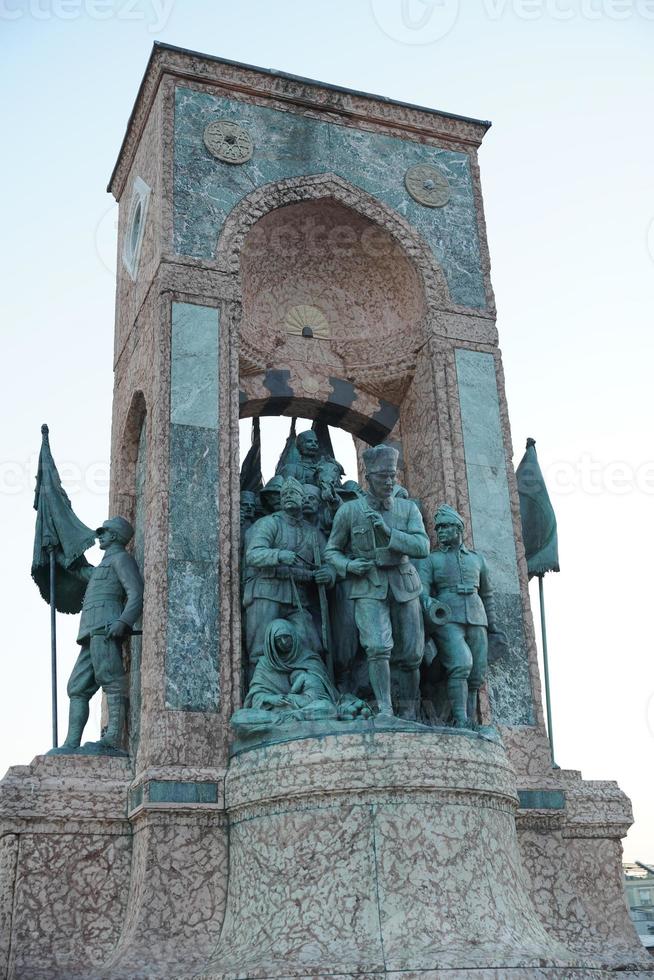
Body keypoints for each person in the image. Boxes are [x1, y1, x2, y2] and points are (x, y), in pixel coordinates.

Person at [324, 444, 429, 719]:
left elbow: (422, 546)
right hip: (368, 583)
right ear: (368, 479)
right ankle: (385, 709)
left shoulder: (407, 510)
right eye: (383, 477)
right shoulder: (349, 511)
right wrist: (348, 565)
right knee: (377, 647)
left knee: (411, 655)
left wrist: (389, 532)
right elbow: (331, 551)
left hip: (403, 584)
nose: (389, 481)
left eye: (392, 476)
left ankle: (410, 712)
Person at [50, 516, 143, 754]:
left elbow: (136, 594)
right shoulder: (103, 565)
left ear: (115, 536)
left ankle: (113, 739)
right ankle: (71, 743)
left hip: (105, 628)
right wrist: (55, 555)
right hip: (91, 632)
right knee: (77, 687)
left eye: (104, 532)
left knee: (111, 680)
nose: (99, 535)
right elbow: (82, 572)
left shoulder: (122, 559)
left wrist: (123, 621)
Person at [415, 504, 502, 728]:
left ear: (458, 529)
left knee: (476, 674)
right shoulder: (431, 560)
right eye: (438, 528)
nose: (440, 531)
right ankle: (461, 719)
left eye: (445, 527)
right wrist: (430, 603)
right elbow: (422, 590)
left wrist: (492, 626)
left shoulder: (477, 560)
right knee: (461, 664)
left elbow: (487, 594)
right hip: (447, 617)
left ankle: (471, 720)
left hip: (476, 615)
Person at [244, 477, 335, 677]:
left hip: (298, 599)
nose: (288, 498)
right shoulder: (268, 524)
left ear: (304, 499)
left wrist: (328, 574)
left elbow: (330, 561)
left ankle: (307, 692)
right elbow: (253, 554)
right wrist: (278, 555)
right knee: (260, 649)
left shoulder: (312, 533)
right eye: (284, 495)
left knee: (310, 645)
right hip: (266, 592)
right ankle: (258, 693)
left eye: (293, 494)